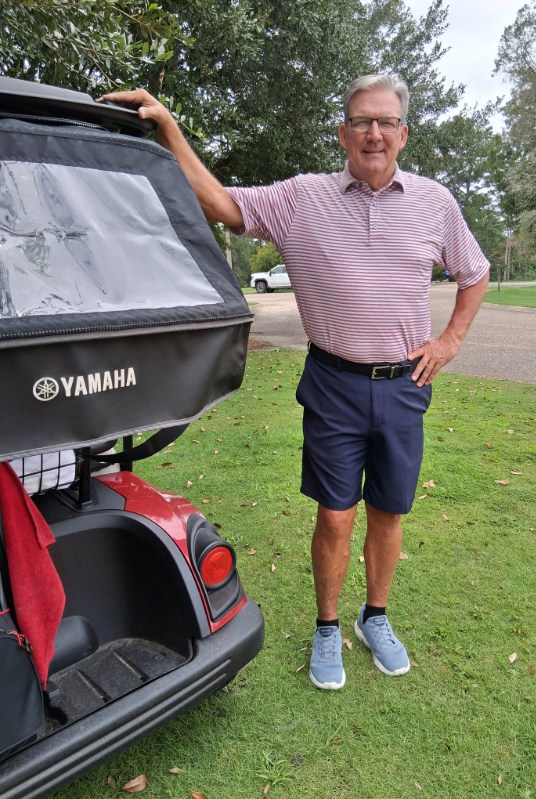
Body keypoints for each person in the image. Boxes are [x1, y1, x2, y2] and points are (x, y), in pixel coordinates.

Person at [102, 74, 489, 690]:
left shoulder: (435, 203)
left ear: (403, 134)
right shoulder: (301, 198)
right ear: (343, 133)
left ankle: (375, 616)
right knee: (335, 516)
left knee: (389, 512)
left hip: (403, 387)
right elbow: (220, 203)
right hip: (334, 384)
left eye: (386, 122)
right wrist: (168, 127)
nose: (373, 133)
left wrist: (449, 342)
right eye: (361, 121)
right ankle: (328, 626)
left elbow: (475, 271)